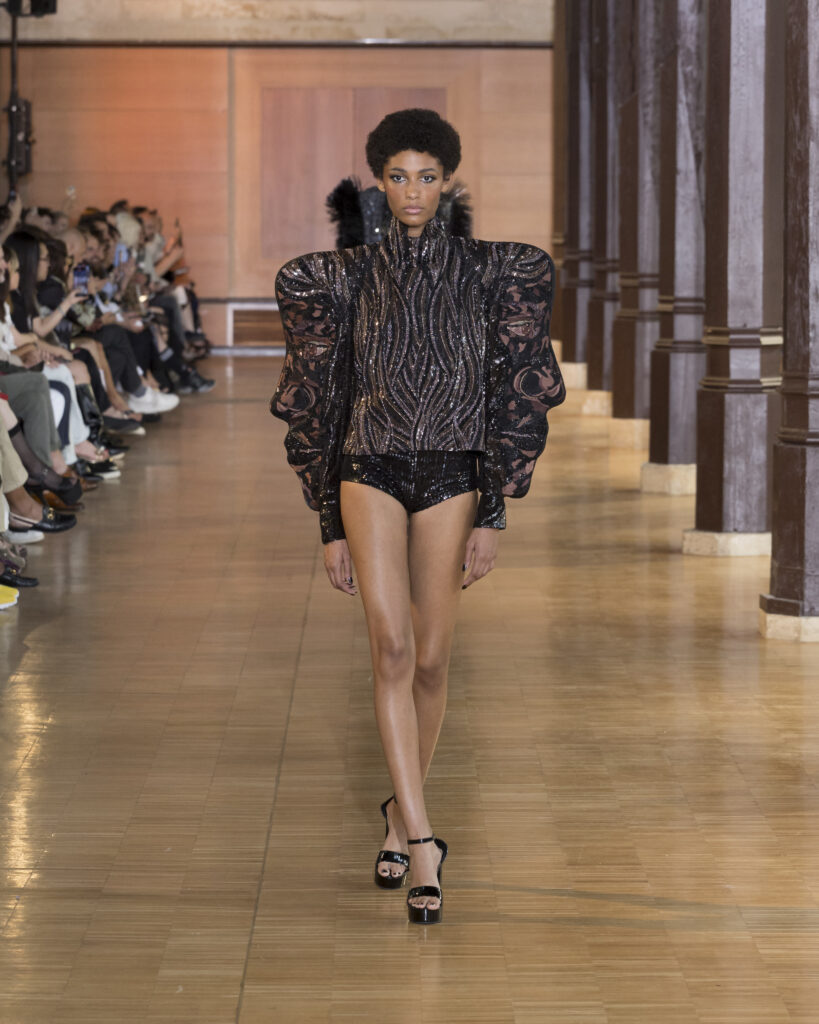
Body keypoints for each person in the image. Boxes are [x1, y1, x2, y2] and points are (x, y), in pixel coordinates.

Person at [271, 109, 565, 925]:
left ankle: (399, 817)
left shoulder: (494, 271)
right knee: (392, 647)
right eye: (398, 177)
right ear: (378, 183)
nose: (412, 191)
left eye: (427, 177)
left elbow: (511, 389)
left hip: (451, 474)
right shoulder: (339, 278)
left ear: (448, 183)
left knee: (431, 659)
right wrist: (328, 521)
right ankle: (426, 842)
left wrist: (493, 508)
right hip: (366, 468)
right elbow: (322, 398)